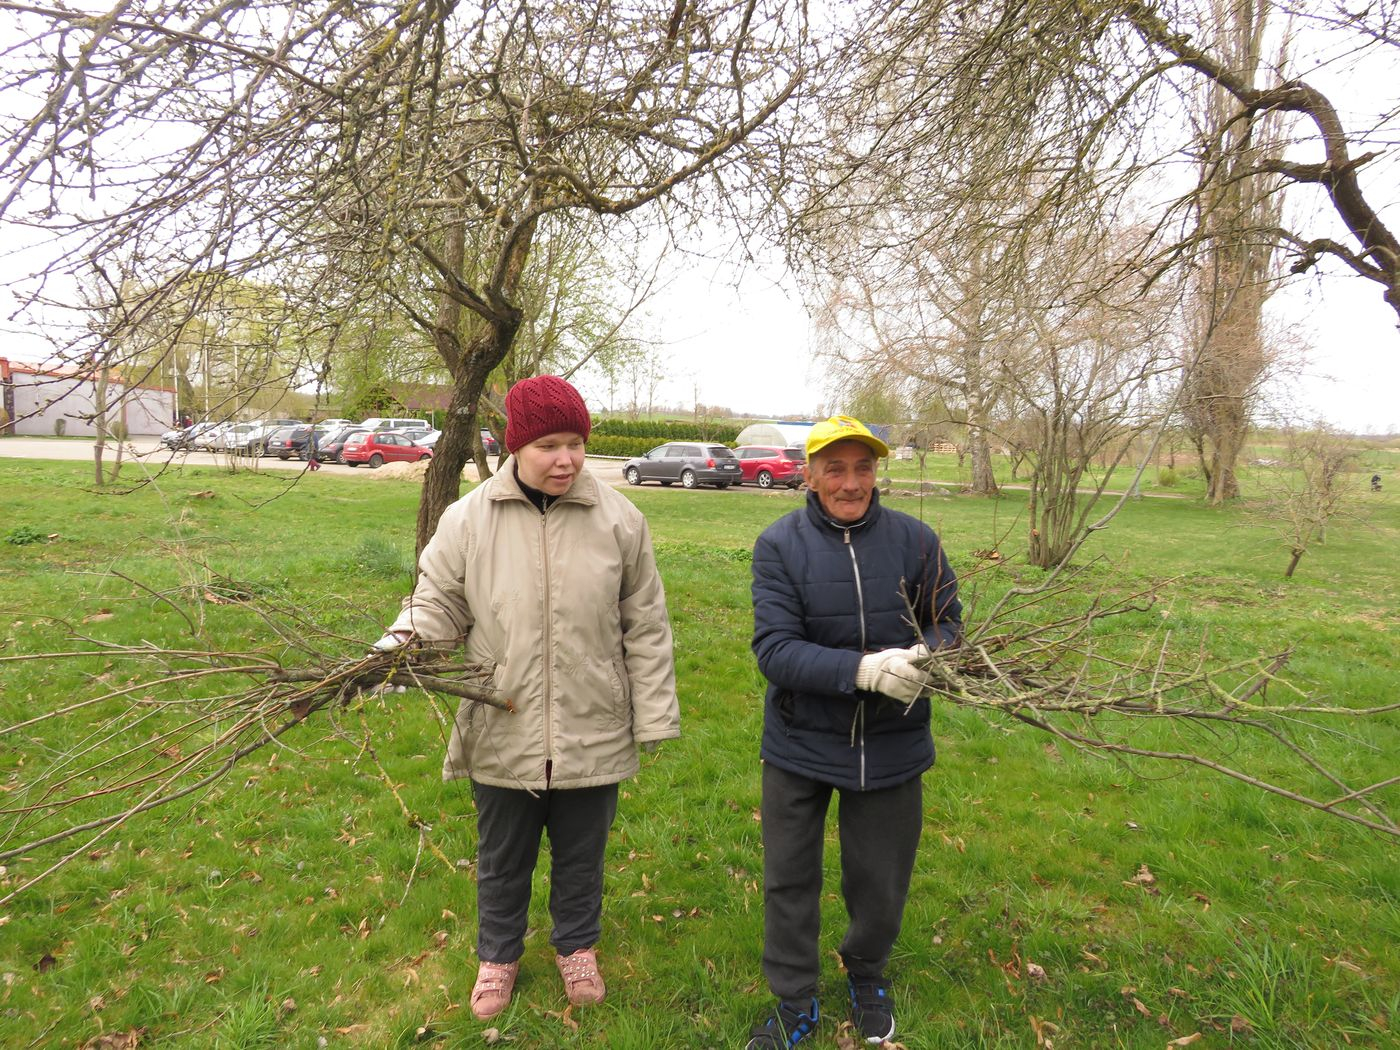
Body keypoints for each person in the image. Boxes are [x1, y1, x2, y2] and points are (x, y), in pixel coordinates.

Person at [371, 375, 679, 1022]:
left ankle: (576, 947)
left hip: (592, 720)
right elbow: (438, 604)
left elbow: (645, 625)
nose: (566, 458)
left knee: (581, 857)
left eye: (575, 443)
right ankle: (499, 956)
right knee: (502, 856)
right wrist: (399, 647)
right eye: (549, 445)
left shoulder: (620, 520)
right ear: (516, 447)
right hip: (501, 717)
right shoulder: (469, 519)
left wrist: (652, 716)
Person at [745, 415, 962, 1048]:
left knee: (880, 877)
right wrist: (865, 671)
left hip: (893, 742)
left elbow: (948, 622)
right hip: (800, 741)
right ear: (809, 476)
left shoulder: (916, 541)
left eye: (862, 468)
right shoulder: (779, 545)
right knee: (790, 877)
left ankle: (866, 973)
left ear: (876, 473)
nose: (850, 482)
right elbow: (776, 651)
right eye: (834, 469)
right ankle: (794, 1001)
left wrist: (926, 656)